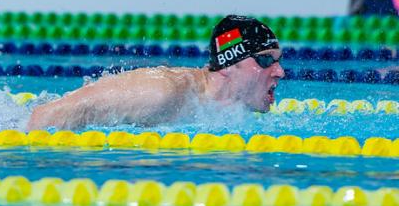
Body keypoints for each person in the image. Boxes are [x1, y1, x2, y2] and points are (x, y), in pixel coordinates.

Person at [27, 15, 285, 130]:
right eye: (265, 61)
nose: (280, 72)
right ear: (230, 63)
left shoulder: (226, 112)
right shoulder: (163, 93)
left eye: (278, 61)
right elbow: (44, 118)